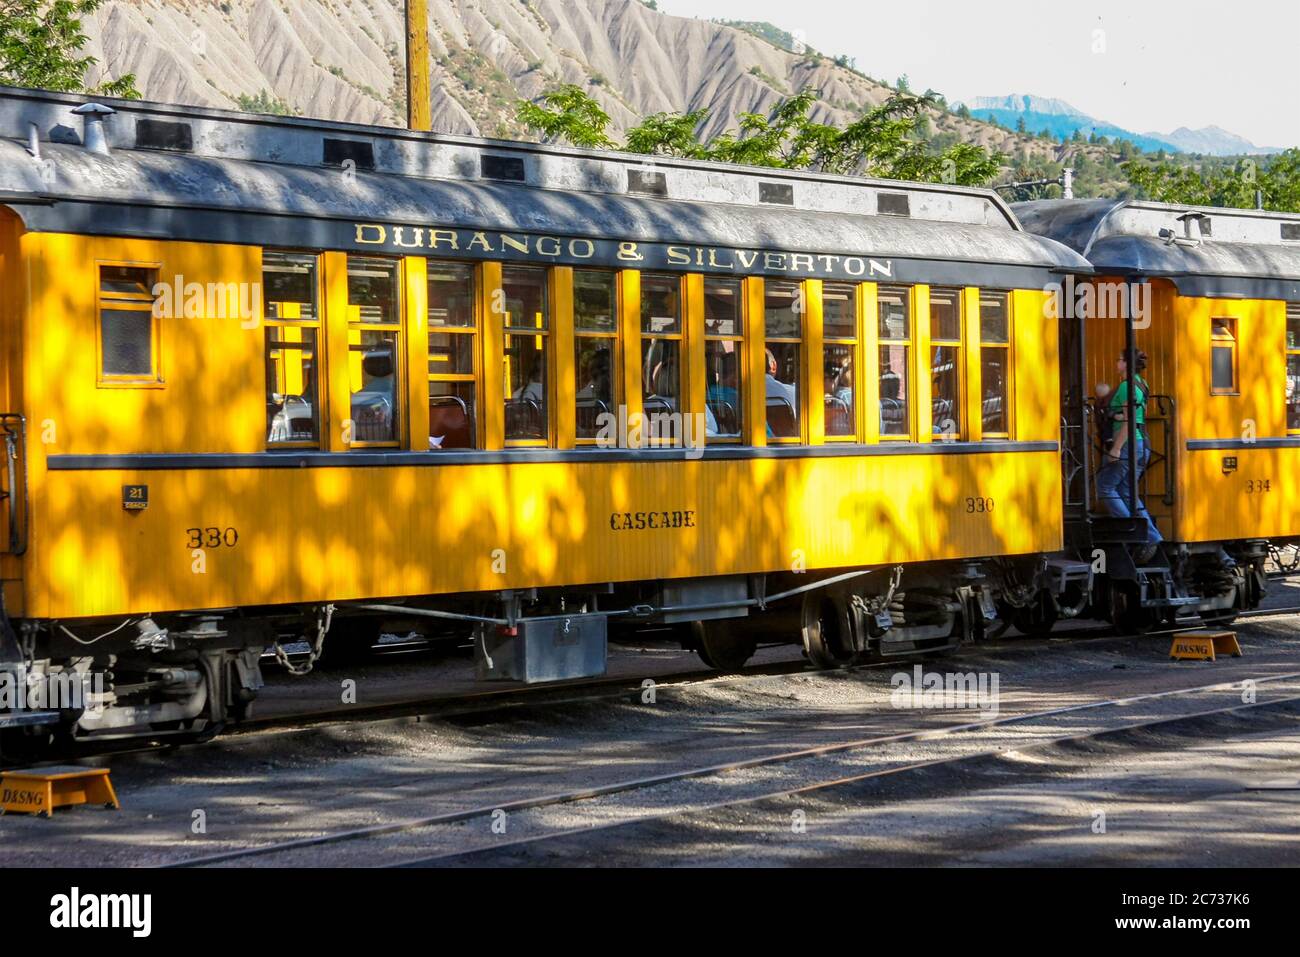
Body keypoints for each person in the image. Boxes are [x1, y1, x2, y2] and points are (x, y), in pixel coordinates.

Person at [1096, 350, 1162, 561]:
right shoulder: (1142, 383)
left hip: (1127, 444)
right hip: (1142, 442)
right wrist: (1115, 414)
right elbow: (1132, 414)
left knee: (1105, 487)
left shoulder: (1126, 387)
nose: (1116, 363)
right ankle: (1151, 536)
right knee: (1127, 491)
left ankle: (1132, 532)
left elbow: (1128, 420)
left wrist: (1116, 448)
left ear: (1126, 364)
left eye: (1119, 359)